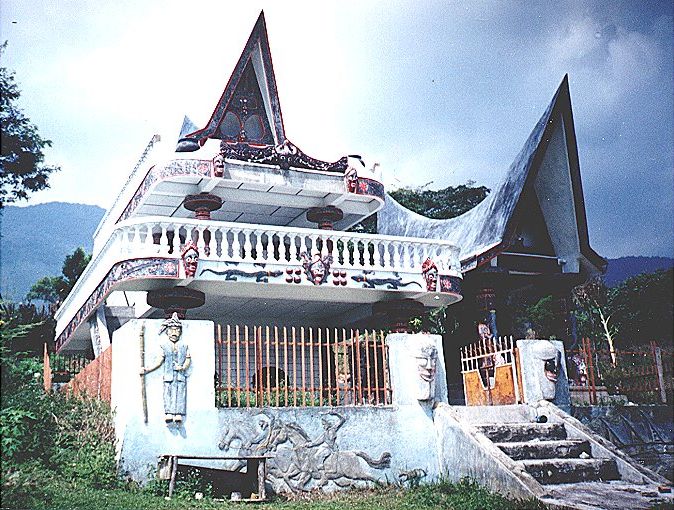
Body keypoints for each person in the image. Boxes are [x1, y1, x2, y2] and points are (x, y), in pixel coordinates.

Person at [141, 313, 191, 422]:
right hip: (168, 376)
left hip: (180, 377)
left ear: (180, 332)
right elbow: (159, 362)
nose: (174, 333)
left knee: (180, 393)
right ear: (167, 332)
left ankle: (178, 413)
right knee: (168, 393)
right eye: (172, 330)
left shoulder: (184, 346)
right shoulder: (164, 346)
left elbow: (188, 359)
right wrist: (147, 369)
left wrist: (182, 367)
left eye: (177, 330)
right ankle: (169, 412)